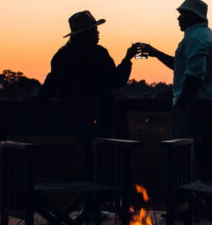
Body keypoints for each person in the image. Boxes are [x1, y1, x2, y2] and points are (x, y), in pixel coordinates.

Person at [38, 10, 140, 176]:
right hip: (102, 118)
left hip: (74, 121)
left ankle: (90, 192)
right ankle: (101, 193)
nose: (98, 33)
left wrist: (35, 100)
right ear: (86, 34)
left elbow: (49, 88)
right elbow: (117, 81)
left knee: (89, 154)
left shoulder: (61, 56)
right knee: (106, 156)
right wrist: (127, 59)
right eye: (94, 30)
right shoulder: (99, 54)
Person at [139, 0, 212, 181]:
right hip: (206, 103)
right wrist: (155, 53)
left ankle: (197, 201)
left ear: (192, 16)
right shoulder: (202, 35)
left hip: (199, 105)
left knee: (190, 152)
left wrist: (181, 102)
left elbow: (195, 74)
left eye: (182, 15)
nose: (178, 19)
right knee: (202, 151)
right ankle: (205, 200)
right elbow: (182, 66)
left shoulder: (198, 38)